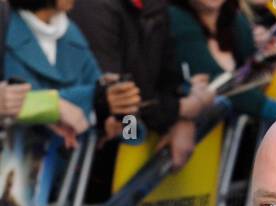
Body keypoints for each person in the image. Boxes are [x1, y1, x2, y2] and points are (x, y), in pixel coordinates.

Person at [61, 0, 216, 169]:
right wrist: (182, 109)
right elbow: (116, 101)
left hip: (132, 147)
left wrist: (182, 120)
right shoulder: (94, 9)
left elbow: (170, 79)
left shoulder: (156, 7)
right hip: (90, 160)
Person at [168, 0, 276, 126]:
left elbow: (250, 70)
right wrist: (275, 110)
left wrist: (266, 55)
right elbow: (215, 82)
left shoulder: (235, 18)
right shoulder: (176, 19)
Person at [3, 0, 102, 143]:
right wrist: (95, 97)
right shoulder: (7, 30)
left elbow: (100, 87)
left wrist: (109, 118)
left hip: (78, 152)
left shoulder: (69, 30)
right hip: (23, 155)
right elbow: (20, 101)